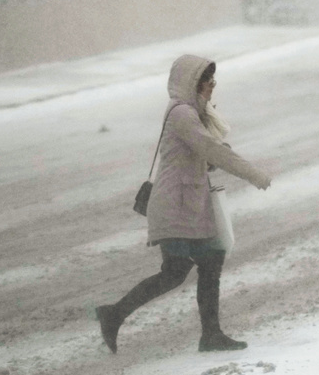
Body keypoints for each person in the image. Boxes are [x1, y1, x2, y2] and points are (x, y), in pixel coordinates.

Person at [97, 54, 271, 353]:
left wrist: (211, 158)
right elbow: (210, 149)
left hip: (187, 203)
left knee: (210, 261)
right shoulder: (183, 115)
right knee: (175, 272)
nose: (211, 87)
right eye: (207, 82)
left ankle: (211, 334)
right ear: (193, 83)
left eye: (213, 81)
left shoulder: (193, 113)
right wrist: (252, 173)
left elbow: (201, 154)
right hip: (175, 205)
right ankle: (114, 314)